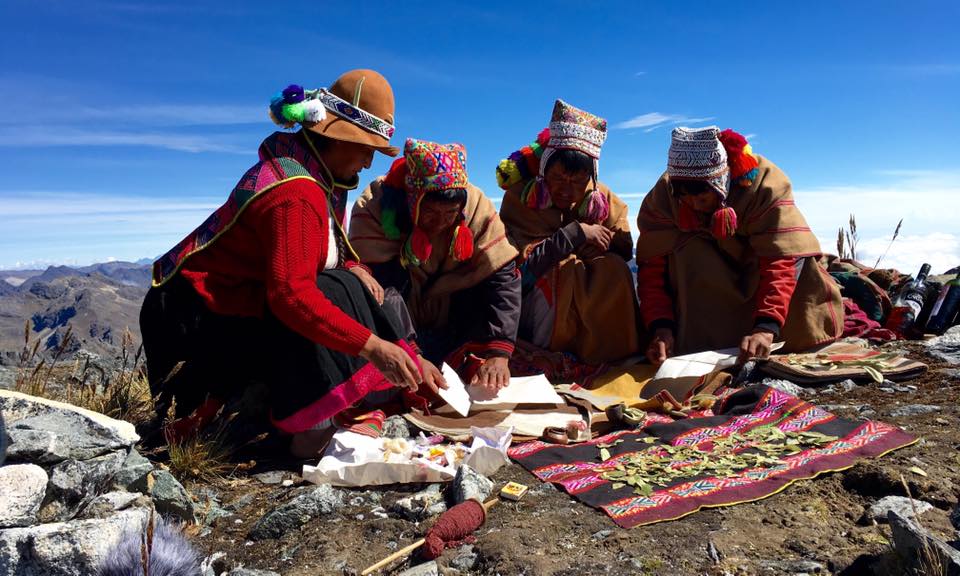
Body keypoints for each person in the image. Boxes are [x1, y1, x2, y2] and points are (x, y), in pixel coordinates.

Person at [140, 70, 444, 456]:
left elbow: (323, 254)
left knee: (348, 283)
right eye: (366, 148)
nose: (369, 162)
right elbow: (290, 294)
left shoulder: (317, 177)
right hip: (194, 320)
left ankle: (326, 406)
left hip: (235, 305)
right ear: (337, 137)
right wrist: (374, 348)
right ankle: (311, 427)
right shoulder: (296, 193)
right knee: (329, 292)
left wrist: (355, 272)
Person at [636, 126, 843, 364]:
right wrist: (661, 328)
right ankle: (698, 339)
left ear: (720, 184)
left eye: (702, 198)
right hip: (710, 277)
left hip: (760, 269)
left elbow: (780, 261)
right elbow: (652, 270)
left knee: (797, 258)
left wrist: (766, 328)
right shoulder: (665, 197)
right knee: (686, 253)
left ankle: (780, 333)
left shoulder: (764, 186)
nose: (694, 205)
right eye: (686, 198)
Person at [349, 138, 521, 391]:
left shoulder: (475, 208)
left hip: (456, 309)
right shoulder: (377, 204)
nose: (440, 224)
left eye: (450, 214)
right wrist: (412, 354)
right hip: (401, 307)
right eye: (429, 212)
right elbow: (384, 287)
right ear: (412, 201)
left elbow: (502, 278)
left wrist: (499, 351)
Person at [496, 100, 641, 365]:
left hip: (590, 297)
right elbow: (519, 271)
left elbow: (623, 244)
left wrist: (601, 244)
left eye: (577, 181)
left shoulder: (601, 197)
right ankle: (548, 354)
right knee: (558, 272)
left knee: (615, 268)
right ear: (543, 171)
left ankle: (609, 353)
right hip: (535, 302)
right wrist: (575, 234)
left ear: (591, 177)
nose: (567, 190)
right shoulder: (521, 197)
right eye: (558, 178)